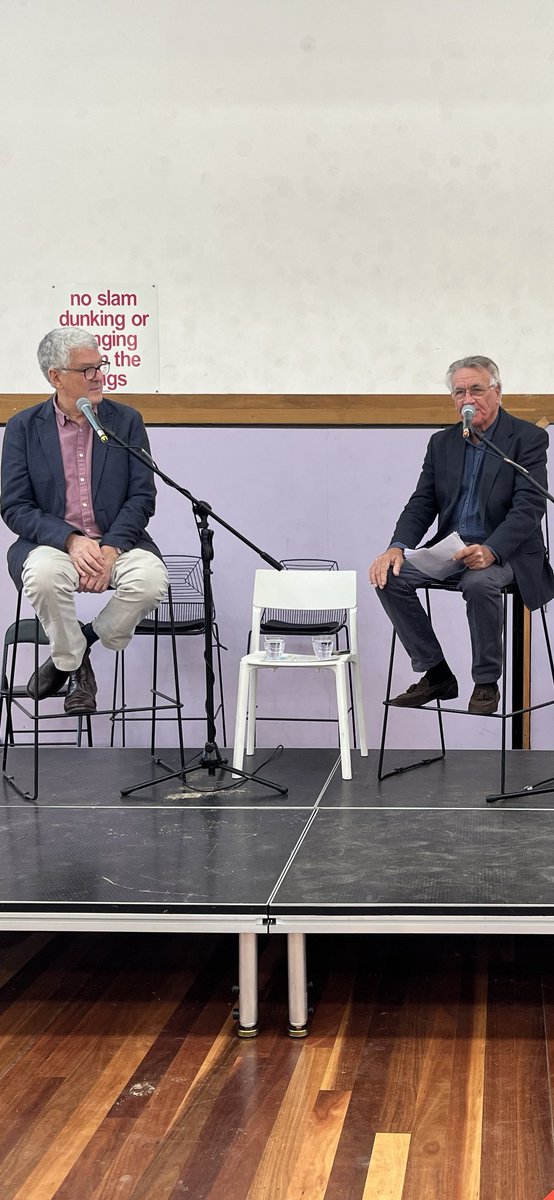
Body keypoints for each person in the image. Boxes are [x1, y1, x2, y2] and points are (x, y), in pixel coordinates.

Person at [368, 355, 554, 715]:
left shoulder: (526, 439)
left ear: (497, 393)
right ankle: (436, 673)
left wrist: (492, 549)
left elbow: (529, 508)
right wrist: (396, 546)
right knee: (388, 577)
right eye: (460, 392)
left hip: (509, 553)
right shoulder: (442, 443)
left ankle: (486, 682)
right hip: (453, 550)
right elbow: (422, 502)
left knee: (479, 583)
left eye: (477, 390)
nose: (468, 399)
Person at [1, 327, 168, 714]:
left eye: (100, 366)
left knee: (150, 581)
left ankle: (76, 646)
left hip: (118, 542)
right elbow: (15, 507)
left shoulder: (126, 421)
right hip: (53, 545)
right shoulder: (23, 428)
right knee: (42, 577)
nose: (98, 376)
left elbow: (142, 496)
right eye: (86, 369)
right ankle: (75, 664)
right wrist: (73, 541)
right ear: (55, 376)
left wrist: (109, 548)